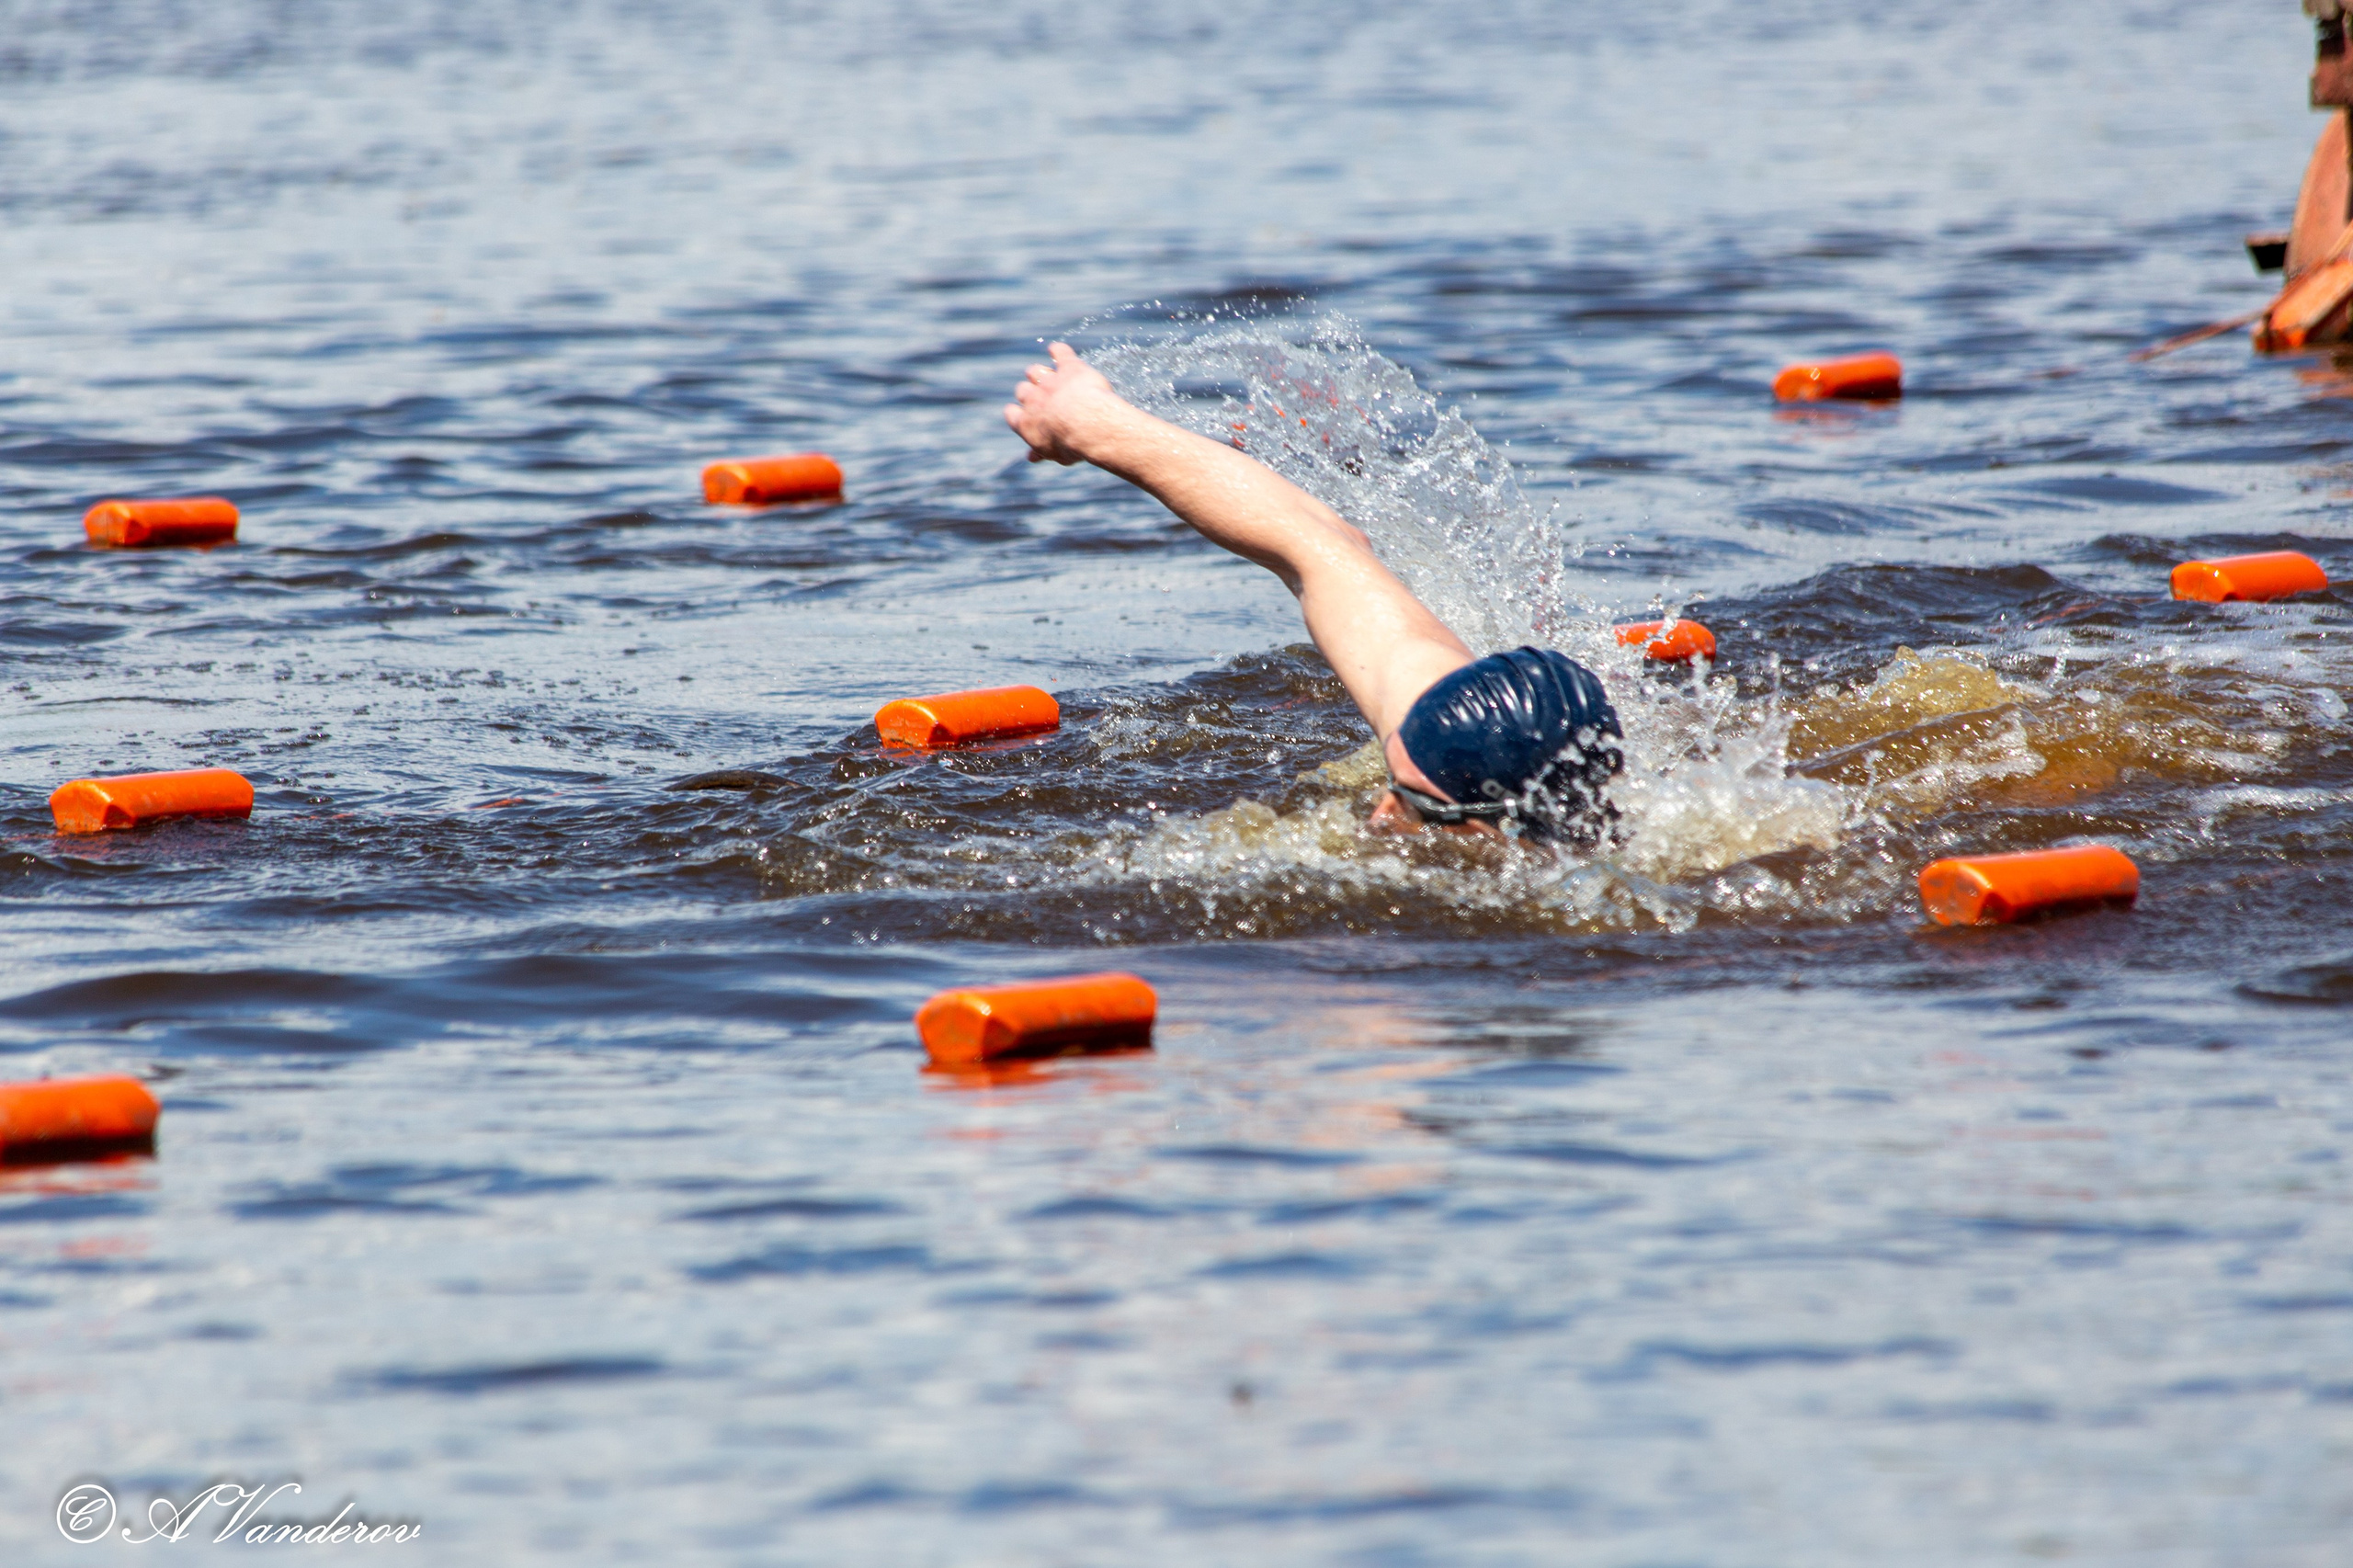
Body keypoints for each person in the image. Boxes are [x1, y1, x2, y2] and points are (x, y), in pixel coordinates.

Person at [1004, 343, 1623, 845]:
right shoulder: (1477, 767)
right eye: (1396, 782)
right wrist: (1092, 424)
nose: (1380, 815)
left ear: (1498, 830)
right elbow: (1315, 543)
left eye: (1411, 802)